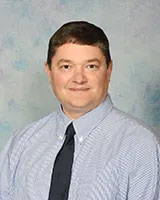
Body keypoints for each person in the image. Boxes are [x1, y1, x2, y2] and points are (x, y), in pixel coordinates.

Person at [0, 21, 160, 200]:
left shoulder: (140, 145)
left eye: (91, 66)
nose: (79, 79)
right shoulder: (21, 142)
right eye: (66, 67)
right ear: (49, 71)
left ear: (108, 70)